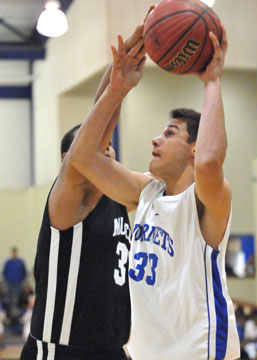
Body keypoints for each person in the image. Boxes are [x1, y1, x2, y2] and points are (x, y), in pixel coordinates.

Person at [67, 12, 240, 360]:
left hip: (199, 352)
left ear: (193, 147)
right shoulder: (146, 192)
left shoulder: (207, 200)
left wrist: (211, 81)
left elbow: (208, 163)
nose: (155, 139)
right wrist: (117, 87)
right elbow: (81, 156)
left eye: (170, 133)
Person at [19, 22, 148, 360]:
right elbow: (92, 140)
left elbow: (100, 129)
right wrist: (117, 88)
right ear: (68, 160)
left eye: (109, 149)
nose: (106, 152)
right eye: (97, 148)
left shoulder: (119, 195)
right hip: (62, 350)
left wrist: (119, 74)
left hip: (111, 348)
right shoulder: (71, 198)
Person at [3, 247, 26, 327]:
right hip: (10, 284)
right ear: (11, 253)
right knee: (10, 300)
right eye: (13, 252)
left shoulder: (20, 262)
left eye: (15, 252)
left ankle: (18, 317)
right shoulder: (8, 262)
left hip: (18, 284)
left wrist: (21, 280)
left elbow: (24, 272)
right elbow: (4, 272)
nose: (14, 254)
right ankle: (9, 317)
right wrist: (7, 281)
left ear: (16, 253)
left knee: (18, 300)